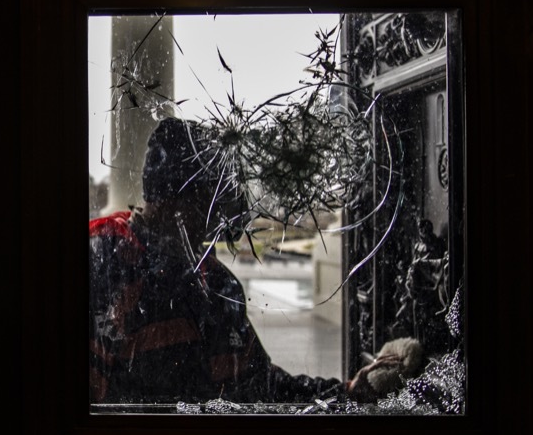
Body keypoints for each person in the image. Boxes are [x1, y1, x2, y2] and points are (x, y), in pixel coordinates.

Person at [89, 118, 346, 405]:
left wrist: (347, 393)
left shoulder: (216, 282)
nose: (219, 218)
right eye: (210, 199)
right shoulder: (107, 263)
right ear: (174, 200)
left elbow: (257, 384)